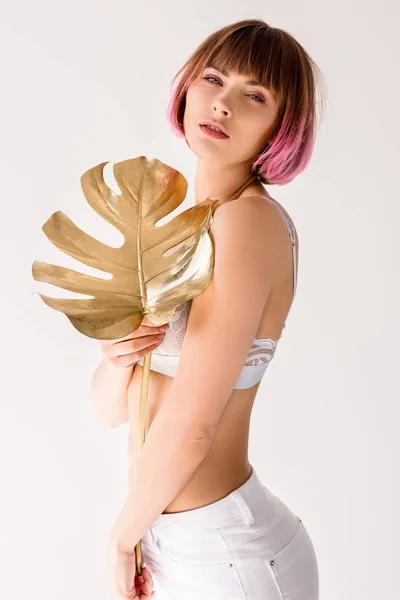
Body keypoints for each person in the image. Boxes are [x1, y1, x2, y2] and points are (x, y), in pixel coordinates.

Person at [92, 18, 326, 600]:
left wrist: (122, 541)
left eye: (254, 95)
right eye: (213, 78)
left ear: (281, 127)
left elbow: (195, 425)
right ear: (187, 88)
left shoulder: (246, 221)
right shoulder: (184, 229)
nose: (222, 104)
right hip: (175, 538)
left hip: (222, 553)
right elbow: (113, 412)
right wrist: (119, 359)